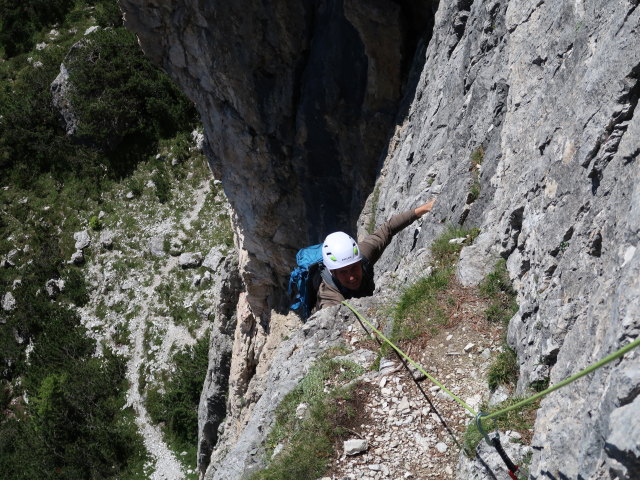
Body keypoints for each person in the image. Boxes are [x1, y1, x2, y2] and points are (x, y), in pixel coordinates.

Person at [316, 199, 436, 310]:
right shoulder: (330, 299)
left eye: (354, 268)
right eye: (343, 272)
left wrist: (424, 208)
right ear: (333, 273)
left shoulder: (362, 255)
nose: (351, 277)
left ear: (359, 261)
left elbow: (387, 229)